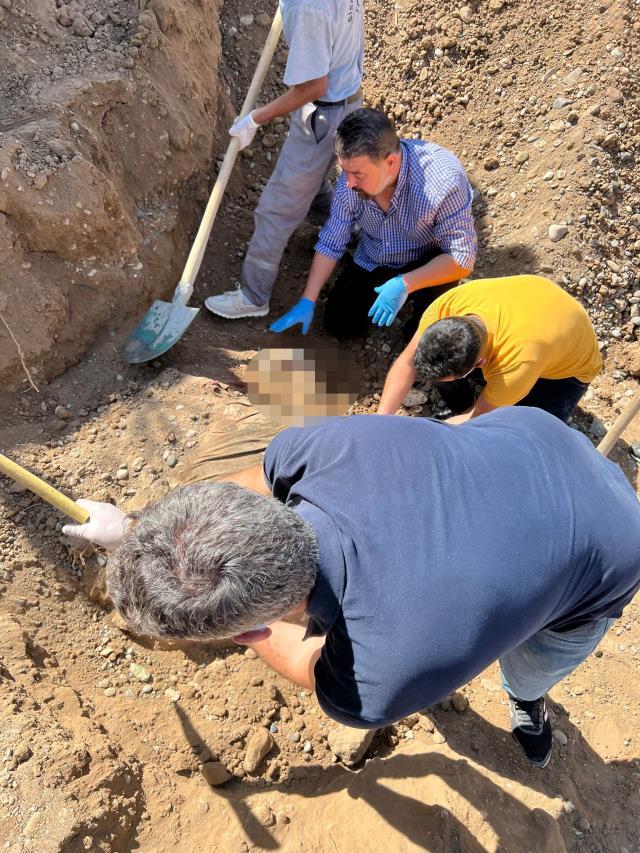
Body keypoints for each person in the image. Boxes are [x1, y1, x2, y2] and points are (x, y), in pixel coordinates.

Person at [63, 409, 640, 769]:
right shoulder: (313, 451)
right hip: (537, 435)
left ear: (250, 632)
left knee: (532, 666)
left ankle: (526, 703)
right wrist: (135, 530)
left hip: (613, 547)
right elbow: (241, 489)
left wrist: (244, 628)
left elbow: (309, 663)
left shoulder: (373, 682)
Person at [204, 0, 364, 321]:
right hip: (347, 99)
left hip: (322, 113)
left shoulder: (308, 8)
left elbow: (313, 85)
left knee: (276, 209)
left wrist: (256, 119)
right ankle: (351, 233)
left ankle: (253, 295)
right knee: (313, 181)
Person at [269, 107, 477, 340]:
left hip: (428, 255)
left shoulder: (441, 181)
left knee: (426, 339)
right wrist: (308, 299)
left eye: (358, 174)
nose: (348, 183)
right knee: (340, 326)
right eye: (345, 172)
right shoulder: (351, 183)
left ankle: (420, 305)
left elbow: (462, 257)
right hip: (376, 256)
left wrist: (404, 284)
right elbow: (331, 242)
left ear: (390, 162)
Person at [377, 274, 602, 421]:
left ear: (480, 363)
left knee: (525, 427)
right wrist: (380, 422)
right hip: (538, 316)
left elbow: (478, 418)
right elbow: (407, 362)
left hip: (567, 374)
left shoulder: (516, 363)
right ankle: (461, 404)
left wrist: (430, 437)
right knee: (441, 375)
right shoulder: (447, 306)